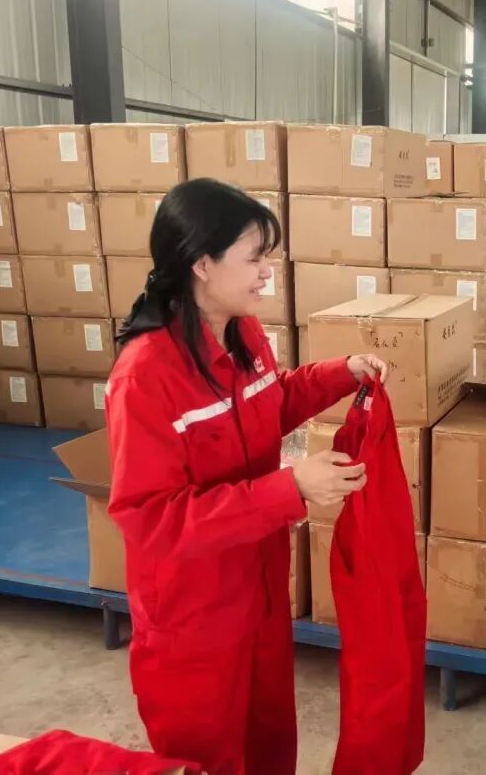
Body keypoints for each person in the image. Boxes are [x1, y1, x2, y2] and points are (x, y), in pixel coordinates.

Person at [104, 178, 388, 775]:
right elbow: (151, 518)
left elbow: (268, 403)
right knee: (207, 759)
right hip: (193, 623)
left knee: (269, 745)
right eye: (254, 257)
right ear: (202, 263)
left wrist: (342, 373)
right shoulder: (145, 377)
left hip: (259, 594)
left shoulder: (243, 334)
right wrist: (291, 489)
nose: (266, 272)